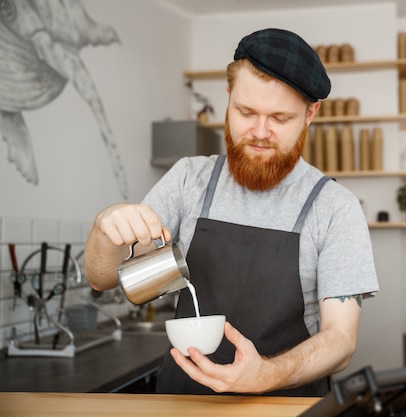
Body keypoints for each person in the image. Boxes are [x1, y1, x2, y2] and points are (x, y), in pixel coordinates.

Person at [83, 28, 379, 397]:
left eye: (280, 118)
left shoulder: (335, 207)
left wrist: (266, 375)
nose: (259, 131)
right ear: (228, 96)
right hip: (183, 402)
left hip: (285, 405)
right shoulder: (188, 180)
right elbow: (102, 278)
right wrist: (104, 227)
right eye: (245, 111)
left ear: (310, 113)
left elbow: (340, 340)